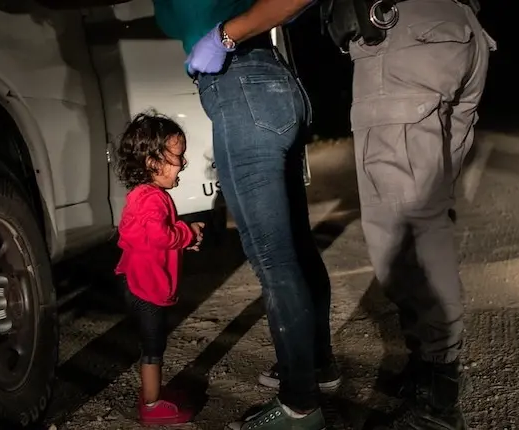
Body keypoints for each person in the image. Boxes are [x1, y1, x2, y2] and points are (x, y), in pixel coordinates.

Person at [185, 0, 496, 428]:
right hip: (456, 30)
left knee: (402, 228)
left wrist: (226, 35)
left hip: (404, 37)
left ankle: (435, 405)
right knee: (427, 218)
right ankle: (430, 372)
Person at [153, 0, 341, 428]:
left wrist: (224, 36)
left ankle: (299, 405)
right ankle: (316, 366)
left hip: (241, 88)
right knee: (294, 246)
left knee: (273, 257)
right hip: (272, 85)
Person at [114, 112, 205, 425]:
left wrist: (183, 239)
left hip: (137, 281)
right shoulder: (151, 199)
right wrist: (187, 233)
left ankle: (152, 393)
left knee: (151, 344)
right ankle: (151, 405)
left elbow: (149, 237)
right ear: (152, 162)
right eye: (177, 157)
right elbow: (158, 235)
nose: (182, 163)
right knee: (153, 347)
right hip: (145, 287)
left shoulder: (143, 196)